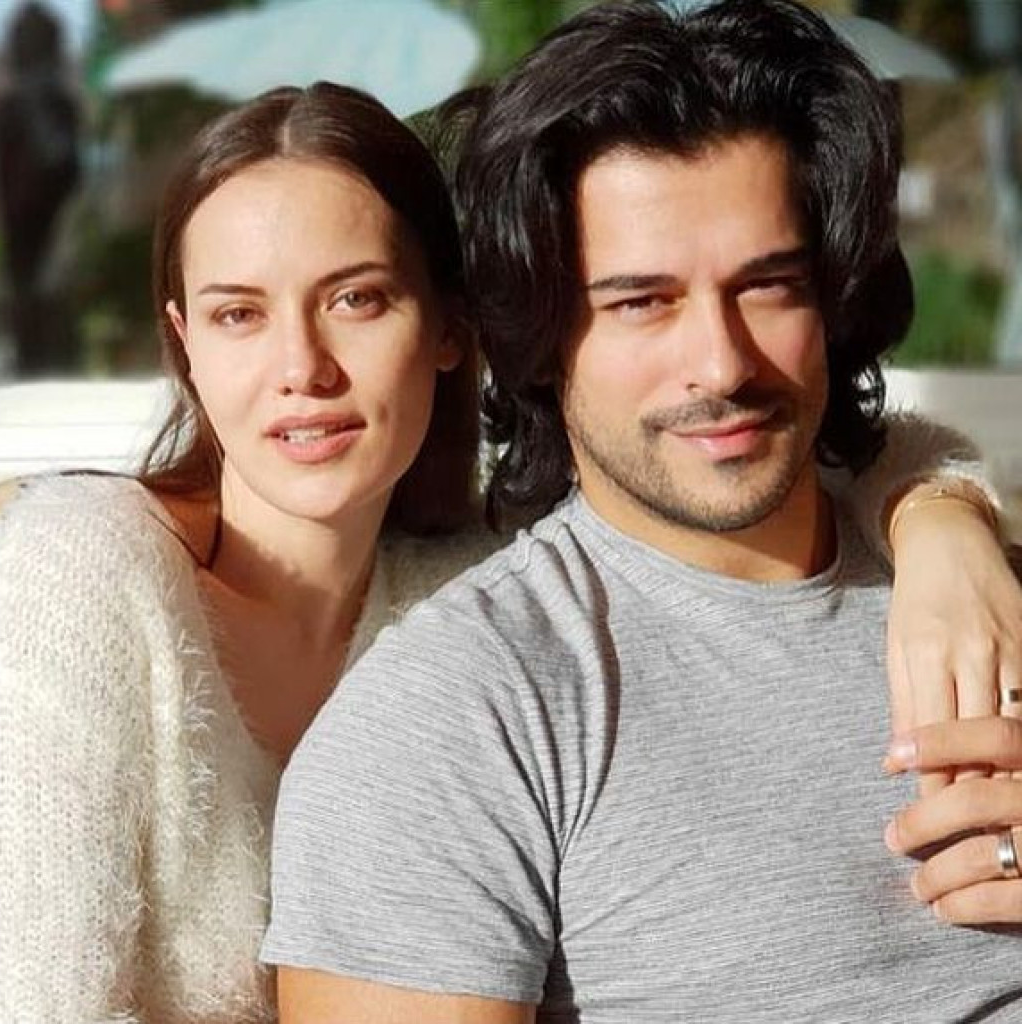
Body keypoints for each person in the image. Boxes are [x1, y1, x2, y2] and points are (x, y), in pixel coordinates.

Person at [263, 2, 1022, 1021]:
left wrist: (949, 520)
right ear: (542, 334)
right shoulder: (448, 722)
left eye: (768, 286)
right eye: (640, 301)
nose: (721, 363)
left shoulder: (977, 588)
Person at [0, 82, 492, 1023]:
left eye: (355, 298)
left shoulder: (470, 596)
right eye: (239, 315)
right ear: (185, 345)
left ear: (447, 328)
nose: (302, 368)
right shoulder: (77, 573)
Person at [0, 0, 81, 375]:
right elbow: (71, 162)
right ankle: (50, 357)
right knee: (50, 279)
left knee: (26, 282)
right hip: (55, 203)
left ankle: (32, 359)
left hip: (21, 208)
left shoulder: (12, 104)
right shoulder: (60, 100)